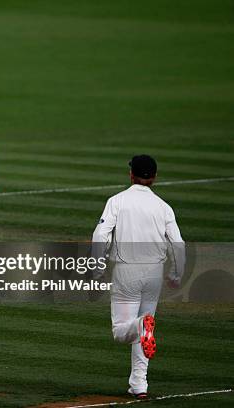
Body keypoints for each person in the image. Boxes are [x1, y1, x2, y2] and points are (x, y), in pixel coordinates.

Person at [91, 155, 185, 399]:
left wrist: (98, 269)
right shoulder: (163, 207)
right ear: (153, 178)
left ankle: (142, 327)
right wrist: (176, 274)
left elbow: (100, 235)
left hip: (127, 272)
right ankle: (139, 385)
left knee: (122, 330)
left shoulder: (117, 201)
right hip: (154, 273)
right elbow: (178, 244)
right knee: (144, 334)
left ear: (131, 174)